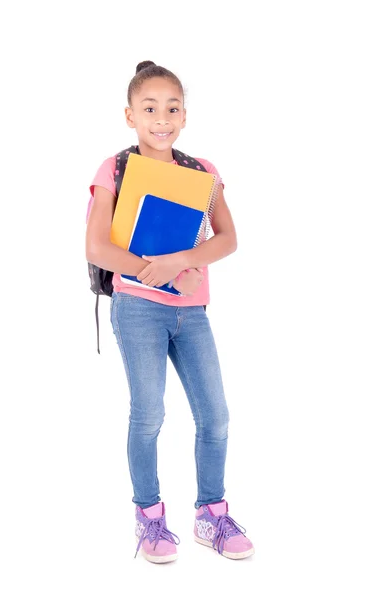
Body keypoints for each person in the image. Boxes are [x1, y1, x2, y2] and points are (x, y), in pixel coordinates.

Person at [85, 60, 254, 563]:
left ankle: (211, 514)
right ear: (130, 116)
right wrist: (148, 270)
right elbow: (96, 247)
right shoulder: (115, 169)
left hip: (192, 312)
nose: (162, 118)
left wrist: (182, 261)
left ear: (184, 116)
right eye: (150, 108)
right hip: (138, 309)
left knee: (216, 416)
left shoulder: (202, 171)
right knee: (149, 414)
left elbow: (227, 238)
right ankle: (150, 519)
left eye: (172, 108)